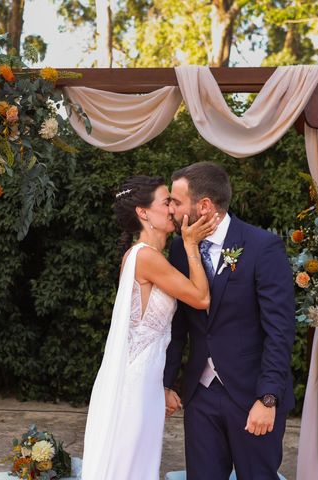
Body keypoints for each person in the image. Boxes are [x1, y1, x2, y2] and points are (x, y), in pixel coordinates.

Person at [164, 161, 296, 480]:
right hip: (201, 394)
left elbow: (280, 330)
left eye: (176, 201)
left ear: (205, 206)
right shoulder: (181, 248)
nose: (170, 208)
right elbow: (178, 324)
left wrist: (268, 397)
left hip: (252, 394)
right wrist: (166, 383)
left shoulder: (262, 247)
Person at [80, 175, 218, 480]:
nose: (172, 209)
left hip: (145, 379)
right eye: (166, 201)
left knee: (137, 464)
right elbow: (201, 297)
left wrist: (161, 387)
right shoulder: (146, 258)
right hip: (136, 383)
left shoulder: (142, 256)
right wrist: (191, 244)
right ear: (144, 213)